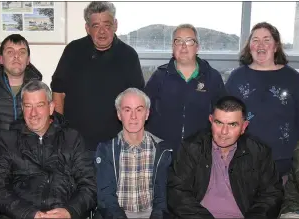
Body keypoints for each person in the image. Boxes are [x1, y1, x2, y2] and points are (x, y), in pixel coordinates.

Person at [0, 80, 96, 219]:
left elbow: (89, 186)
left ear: (51, 107)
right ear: (22, 108)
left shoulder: (72, 139)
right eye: (28, 106)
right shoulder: (7, 141)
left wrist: (69, 212)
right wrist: (29, 214)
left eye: (39, 105)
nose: (33, 113)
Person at [167, 96, 283, 218]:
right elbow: (177, 193)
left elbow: (271, 195)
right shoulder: (191, 148)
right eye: (219, 123)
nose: (224, 131)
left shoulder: (259, 152)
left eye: (232, 125)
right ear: (211, 121)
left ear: (244, 127)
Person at [50, 1, 145, 151]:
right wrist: (60, 131)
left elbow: (138, 100)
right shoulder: (73, 51)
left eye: (107, 25)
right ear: (87, 28)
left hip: (116, 145)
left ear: (115, 25)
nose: (102, 31)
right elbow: (58, 92)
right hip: (76, 144)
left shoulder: (129, 55)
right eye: (96, 26)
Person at [225, 22, 299, 178]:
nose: (261, 45)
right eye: (255, 40)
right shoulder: (236, 78)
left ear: (276, 46)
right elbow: (224, 117)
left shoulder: (293, 78)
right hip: (243, 160)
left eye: (266, 40)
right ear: (249, 46)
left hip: (283, 163)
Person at [145, 24, 227, 149]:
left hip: (200, 152)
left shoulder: (212, 78)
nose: (183, 46)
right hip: (164, 151)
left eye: (189, 41)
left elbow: (222, 115)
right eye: (178, 41)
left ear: (197, 47)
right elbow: (145, 111)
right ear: (173, 47)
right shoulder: (159, 76)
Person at [95, 88, 173, 219]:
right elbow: (106, 198)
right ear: (119, 114)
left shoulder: (161, 150)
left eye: (139, 109)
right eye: (127, 110)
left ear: (147, 114)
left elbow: (162, 198)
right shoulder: (106, 150)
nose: (133, 116)